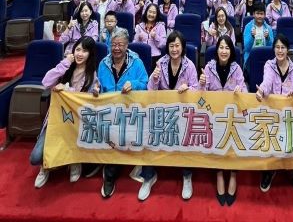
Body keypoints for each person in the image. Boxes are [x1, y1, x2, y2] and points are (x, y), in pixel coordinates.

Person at [30, 37, 98, 188]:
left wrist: (67, 90)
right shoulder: (65, 67)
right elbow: (46, 82)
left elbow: (87, 102)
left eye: (84, 51)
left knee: (71, 144)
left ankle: (74, 161)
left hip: (75, 123)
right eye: (78, 49)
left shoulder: (92, 75)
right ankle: (46, 166)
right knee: (35, 158)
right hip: (56, 119)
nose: (80, 54)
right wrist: (65, 63)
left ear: (90, 54)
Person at [139, 31, 198, 201]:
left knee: (187, 135)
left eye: (177, 45)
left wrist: (188, 89)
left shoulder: (189, 65)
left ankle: (187, 175)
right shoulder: (160, 63)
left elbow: (197, 90)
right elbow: (150, 90)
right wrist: (155, 78)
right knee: (150, 132)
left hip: (183, 112)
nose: (174, 49)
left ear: (183, 47)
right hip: (163, 111)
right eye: (171, 46)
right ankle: (149, 176)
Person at [97, 28, 148, 198]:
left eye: (120, 45)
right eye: (113, 44)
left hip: (131, 111)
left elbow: (145, 83)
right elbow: (98, 85)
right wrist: (95, 89)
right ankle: (108, 171)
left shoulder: (137, 63)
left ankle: (111, 172)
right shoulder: (103, 64)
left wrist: (134, 84)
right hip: (109, 112)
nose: (116, 48)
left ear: (127, 46)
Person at [255, 34, 293, 196]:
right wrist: (261, 90)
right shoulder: (269, 65)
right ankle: (270, 170)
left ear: (287, 50)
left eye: (283, 47)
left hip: (289, 118)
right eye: (277, 47)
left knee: (292, 140)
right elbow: (267, 82)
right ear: (274, 49)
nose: (280, 51)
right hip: (271, 115)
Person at [199, 35, 246, 205]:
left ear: (231, 51)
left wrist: (241, 91)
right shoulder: (208, 68)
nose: (224, 51)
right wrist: (202, 84)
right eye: (221, 47)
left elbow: (245, 92)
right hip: (214, 116)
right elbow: (200, 99)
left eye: (227, 48)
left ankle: (233, 173)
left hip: (231, 116)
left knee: (235, 137)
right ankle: (219, 173)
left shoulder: (237, 69)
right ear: (216, 50)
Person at [134, 3, 166, 69]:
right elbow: (135, 43)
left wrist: (155, 37)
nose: (151, 14)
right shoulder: (140, 26)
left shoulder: (161, 26)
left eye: (154, 12)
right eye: (150, 11)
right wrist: (138, 38)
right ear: (146, 12)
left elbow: (163, 44)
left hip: (155, 57)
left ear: (157, 14)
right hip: (141, 56)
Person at [243, 3, 274, 67]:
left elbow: (271, 48)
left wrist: (268, 38)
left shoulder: (268, 28)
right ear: (253, 14)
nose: (259, 16)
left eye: (261, 14)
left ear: (264, 15)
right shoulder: (248, 27)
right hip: (251, 57)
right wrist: (252, 37)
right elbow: (247, 48)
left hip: (265, 57)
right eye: (257, 13)